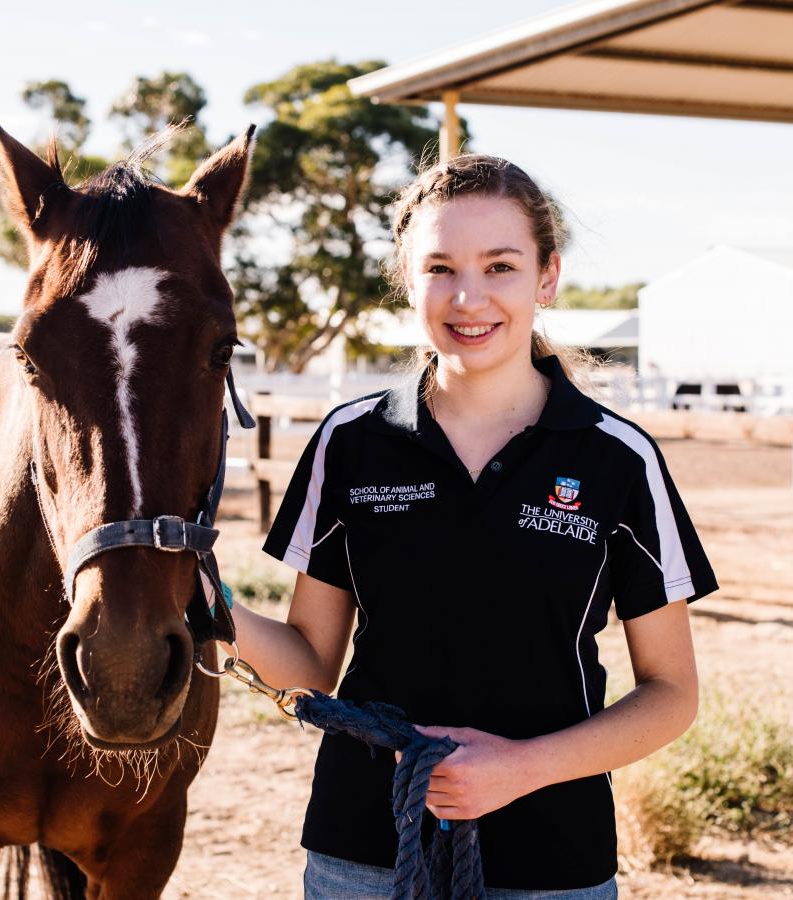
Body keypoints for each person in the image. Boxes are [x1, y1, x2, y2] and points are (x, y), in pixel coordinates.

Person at [228, 155, 717, 898]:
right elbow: (309, 665)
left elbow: (672, 693)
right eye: (440, 268)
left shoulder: (616, 459)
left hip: (553, 860)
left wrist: (520, 769)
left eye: (500, 266)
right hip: (363, 850)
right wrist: (210, 607)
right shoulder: (351, 442)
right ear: (407, 279)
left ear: (546, 277)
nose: (469, 296)